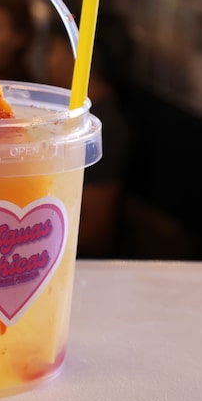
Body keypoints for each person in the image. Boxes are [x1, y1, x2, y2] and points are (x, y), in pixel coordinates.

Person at [44, 13, 132, 258]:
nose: (48, 61)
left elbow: (95, 231)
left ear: (78, 59)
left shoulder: (104, 126)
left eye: (53, 49)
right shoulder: (74, 116)